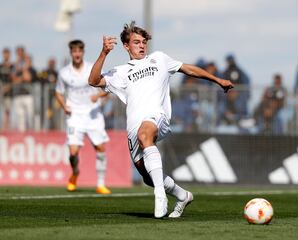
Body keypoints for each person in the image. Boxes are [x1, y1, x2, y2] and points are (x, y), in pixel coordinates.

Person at [88, 21, 234, 218]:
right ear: (126, 46)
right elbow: (93, 80)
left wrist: (217, 80)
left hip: (157, 118)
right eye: (136, 42)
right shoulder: (121, 72)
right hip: (134, 127)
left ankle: (160, 196)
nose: (141, 45)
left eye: (143, 42)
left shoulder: (159, 59)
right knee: (148, 176)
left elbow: (189, 69)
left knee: (145, 134)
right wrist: (104, 53)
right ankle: (183, 196)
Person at [55, 40, 111, 194]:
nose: (77, 54)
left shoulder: (92, 69)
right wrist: (64, 106)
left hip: (93, 114)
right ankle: (75, 173)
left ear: (83, 52)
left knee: (100, 148)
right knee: (73, 152)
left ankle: (100, 183)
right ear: (71, 53)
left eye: (79, 51)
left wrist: (99, 95)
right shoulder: (64, 73)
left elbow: (109, 86)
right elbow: (58, 92)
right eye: (74, 51)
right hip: (75, 115)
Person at [0, 47, 14, 130]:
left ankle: (7, 128)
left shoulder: (12, 66)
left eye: (7, 53)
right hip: (1, 92)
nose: (6, 55)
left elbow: (14, 79)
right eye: (4, 53)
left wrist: (8, 86)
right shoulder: (0, 66)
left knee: (8, 111)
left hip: (9, 93)